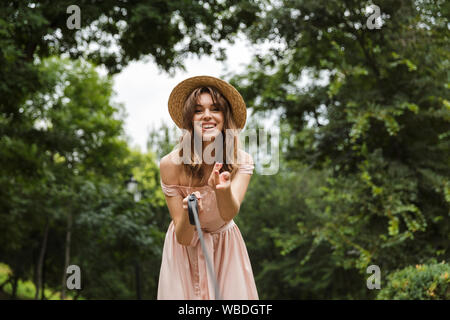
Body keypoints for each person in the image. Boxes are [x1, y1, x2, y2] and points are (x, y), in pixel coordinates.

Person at [157, 75, 258, 300]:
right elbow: (182, 237)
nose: (207, 116)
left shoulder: (242, 161)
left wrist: (222, 190)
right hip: (184, 252)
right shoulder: (170, 165)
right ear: (189, 119)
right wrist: (189, 214)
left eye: (215, 109)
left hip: (225, 248)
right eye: (198, 110)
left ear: (225, 117)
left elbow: (229, 213)